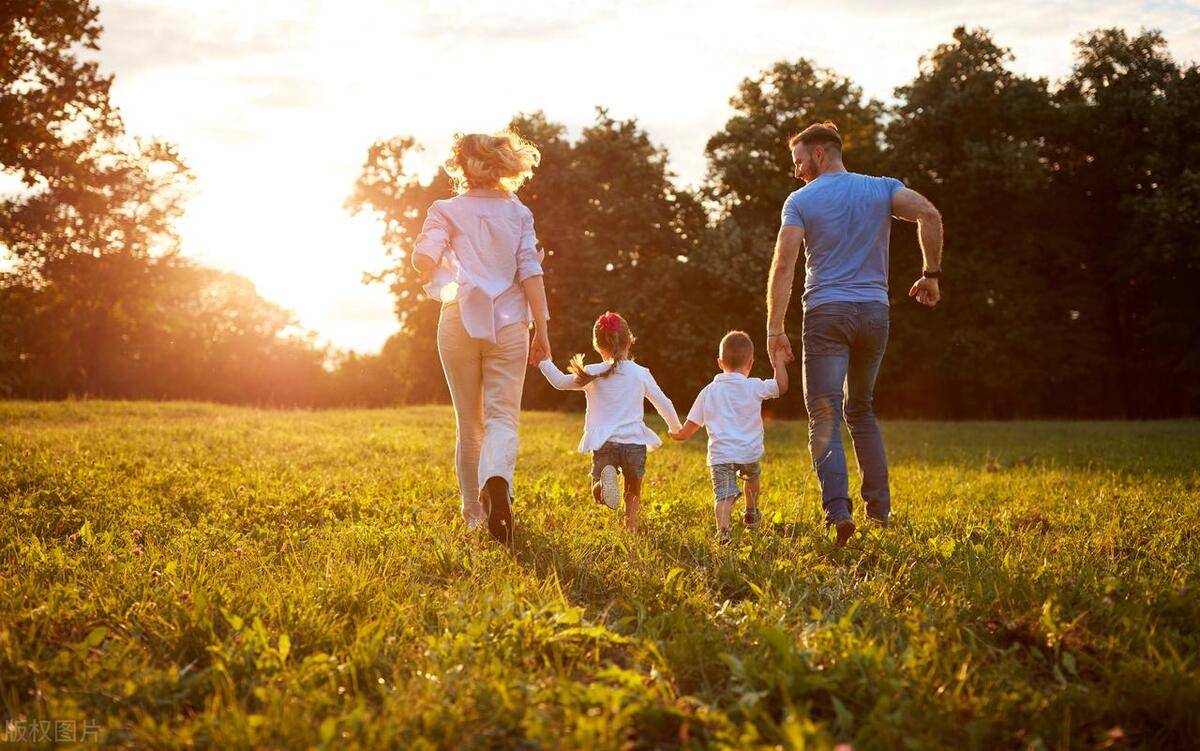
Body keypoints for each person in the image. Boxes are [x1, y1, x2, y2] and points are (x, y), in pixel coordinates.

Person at [765, 121, 943, 546]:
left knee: (824, 413)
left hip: (827, 314)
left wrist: (775, 329)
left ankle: (838, 512)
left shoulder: (800, 201)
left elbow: (784, 264)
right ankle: (879, 512)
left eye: (799, 161)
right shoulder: (882, 189)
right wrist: (931, 275)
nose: (797, 172)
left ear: (820, 154)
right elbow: (930, 214)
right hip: (875, 314)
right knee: (860, 409)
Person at [411, 131, 551, 546]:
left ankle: (474, 514)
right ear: (502, 166)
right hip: (510, 325)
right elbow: (531, 272)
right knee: (502, 417)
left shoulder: (444, 209)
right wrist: (542, 330)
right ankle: (498, 480)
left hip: (459, 321)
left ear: (460, 165)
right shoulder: (519, 213)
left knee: (468, 424)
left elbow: (425, 256)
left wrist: (424, 258)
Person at [536, 311, 683, 532]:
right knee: (633, 490)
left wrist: (543, 362)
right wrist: (676, 428)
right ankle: (630, 528)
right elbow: (663, 401)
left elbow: (559, 382)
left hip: (605, 443)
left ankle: (602, 486)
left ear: (597, 345)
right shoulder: (640, 373)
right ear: (629, 340)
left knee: (600, 491)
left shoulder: (592, 373)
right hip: (634, 443)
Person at [670, 331, 788, 544]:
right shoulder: (754, 386)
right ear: (750, 363)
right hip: (749, 451)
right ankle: (751, 511)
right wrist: (779, 361)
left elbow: (692, 424)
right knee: (752, 478)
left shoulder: (708, 391)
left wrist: (679, 435)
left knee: (723, 494)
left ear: (720, 362)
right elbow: (781, 386)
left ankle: (723, 531)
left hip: (721, 454)